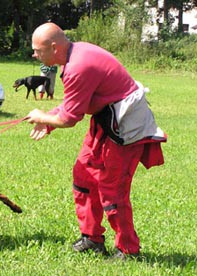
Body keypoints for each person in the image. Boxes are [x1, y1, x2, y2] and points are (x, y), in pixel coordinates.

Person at [26, 22, 167, 259]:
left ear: (54, 47)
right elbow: (76, 101)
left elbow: (71, 118)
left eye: (38, 50)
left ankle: (128, 250)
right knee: (84, 176)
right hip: (106, 120)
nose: (34, 54)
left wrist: (42, 116)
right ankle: (92, 238)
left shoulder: (78, 66)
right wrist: (49, 120)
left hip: (126, 129)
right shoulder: (74, 55)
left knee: (113, 191)